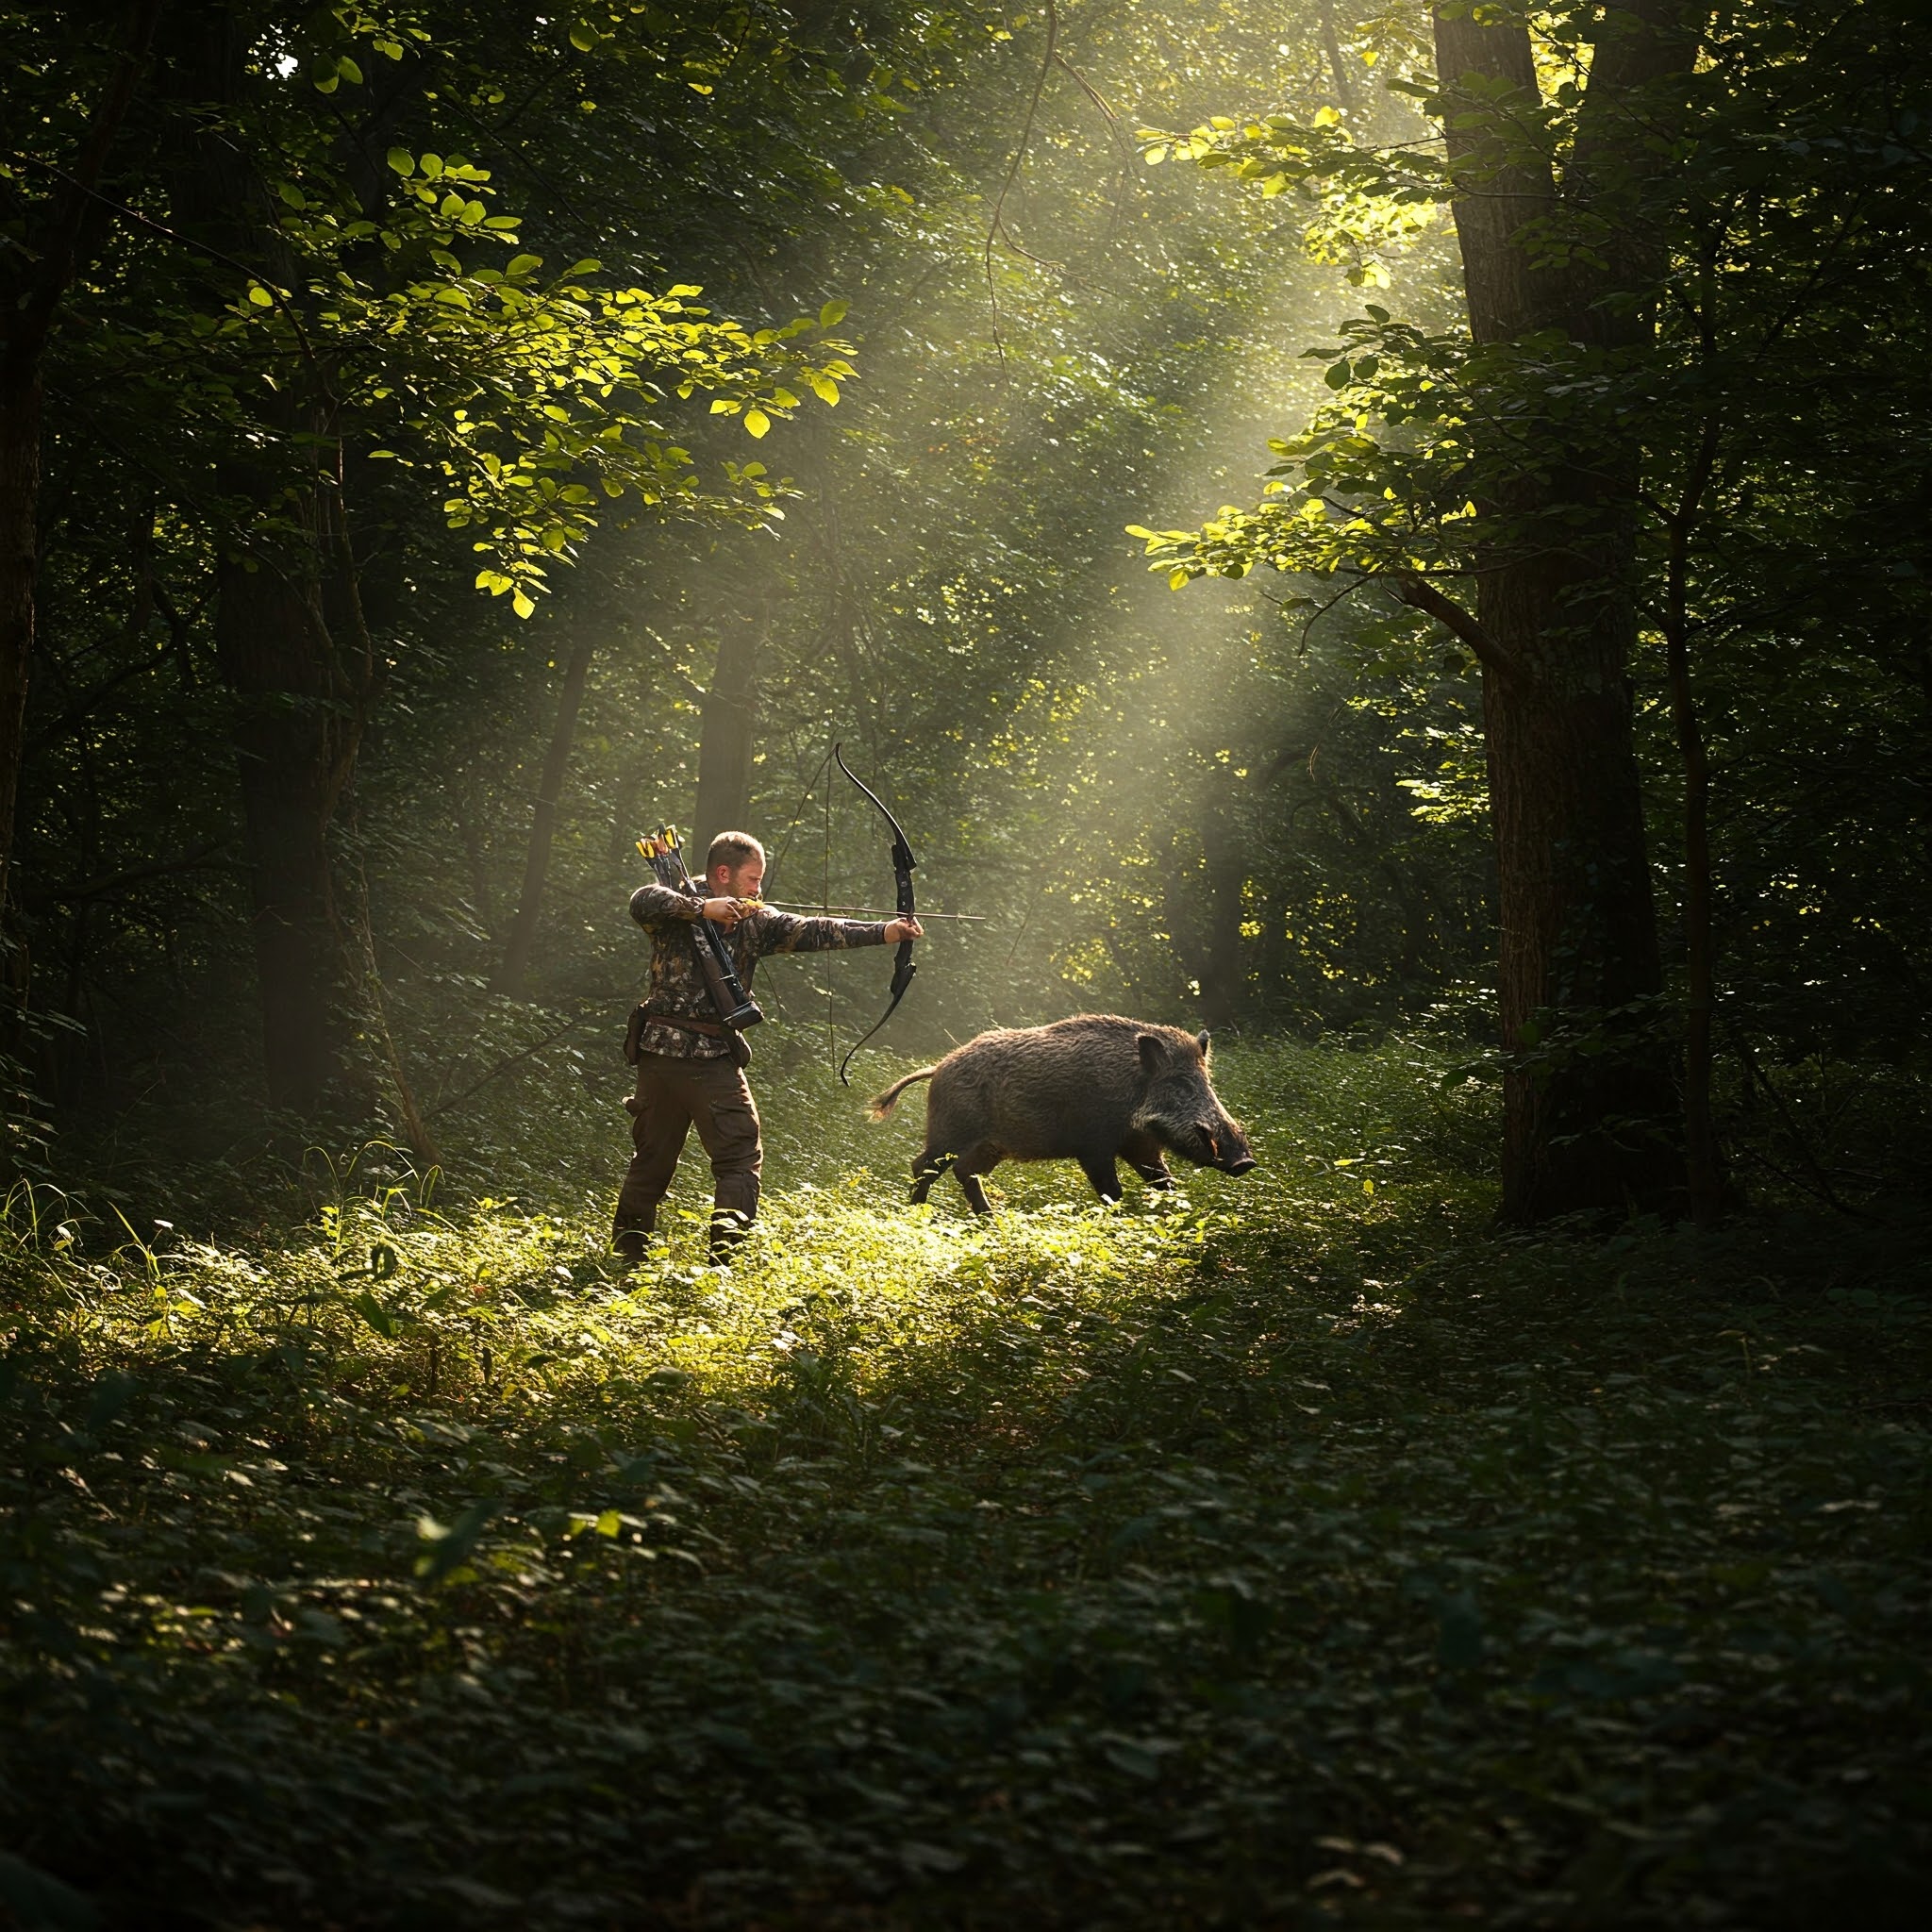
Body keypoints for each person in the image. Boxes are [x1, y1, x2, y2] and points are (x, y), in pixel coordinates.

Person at [614, 828, 922, 1265]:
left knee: (663, 1160)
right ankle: (699, 1265)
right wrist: (702, 908)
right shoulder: (675, 905)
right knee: (730, 1158)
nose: (758, 889)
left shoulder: (754, 920)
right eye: (753, 879)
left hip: (679, 1056)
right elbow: (642, 900)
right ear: (723, 873)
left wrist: (886, 931)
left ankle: (670, 1262)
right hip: (688, 1060)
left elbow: (813, 929)